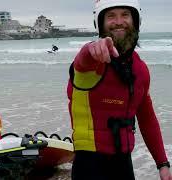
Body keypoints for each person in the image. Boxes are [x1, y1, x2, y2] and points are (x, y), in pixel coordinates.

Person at [67, 0, 171, 180]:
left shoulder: (140, 69)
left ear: (135, 20)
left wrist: (162, 164)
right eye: (111, 16)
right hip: (89, 165)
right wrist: (90, 49)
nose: (118, 21)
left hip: (124, 164)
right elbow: (82, 62)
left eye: (125, 15)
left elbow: (147, 118)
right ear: (100, 24)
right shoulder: (93, 62)